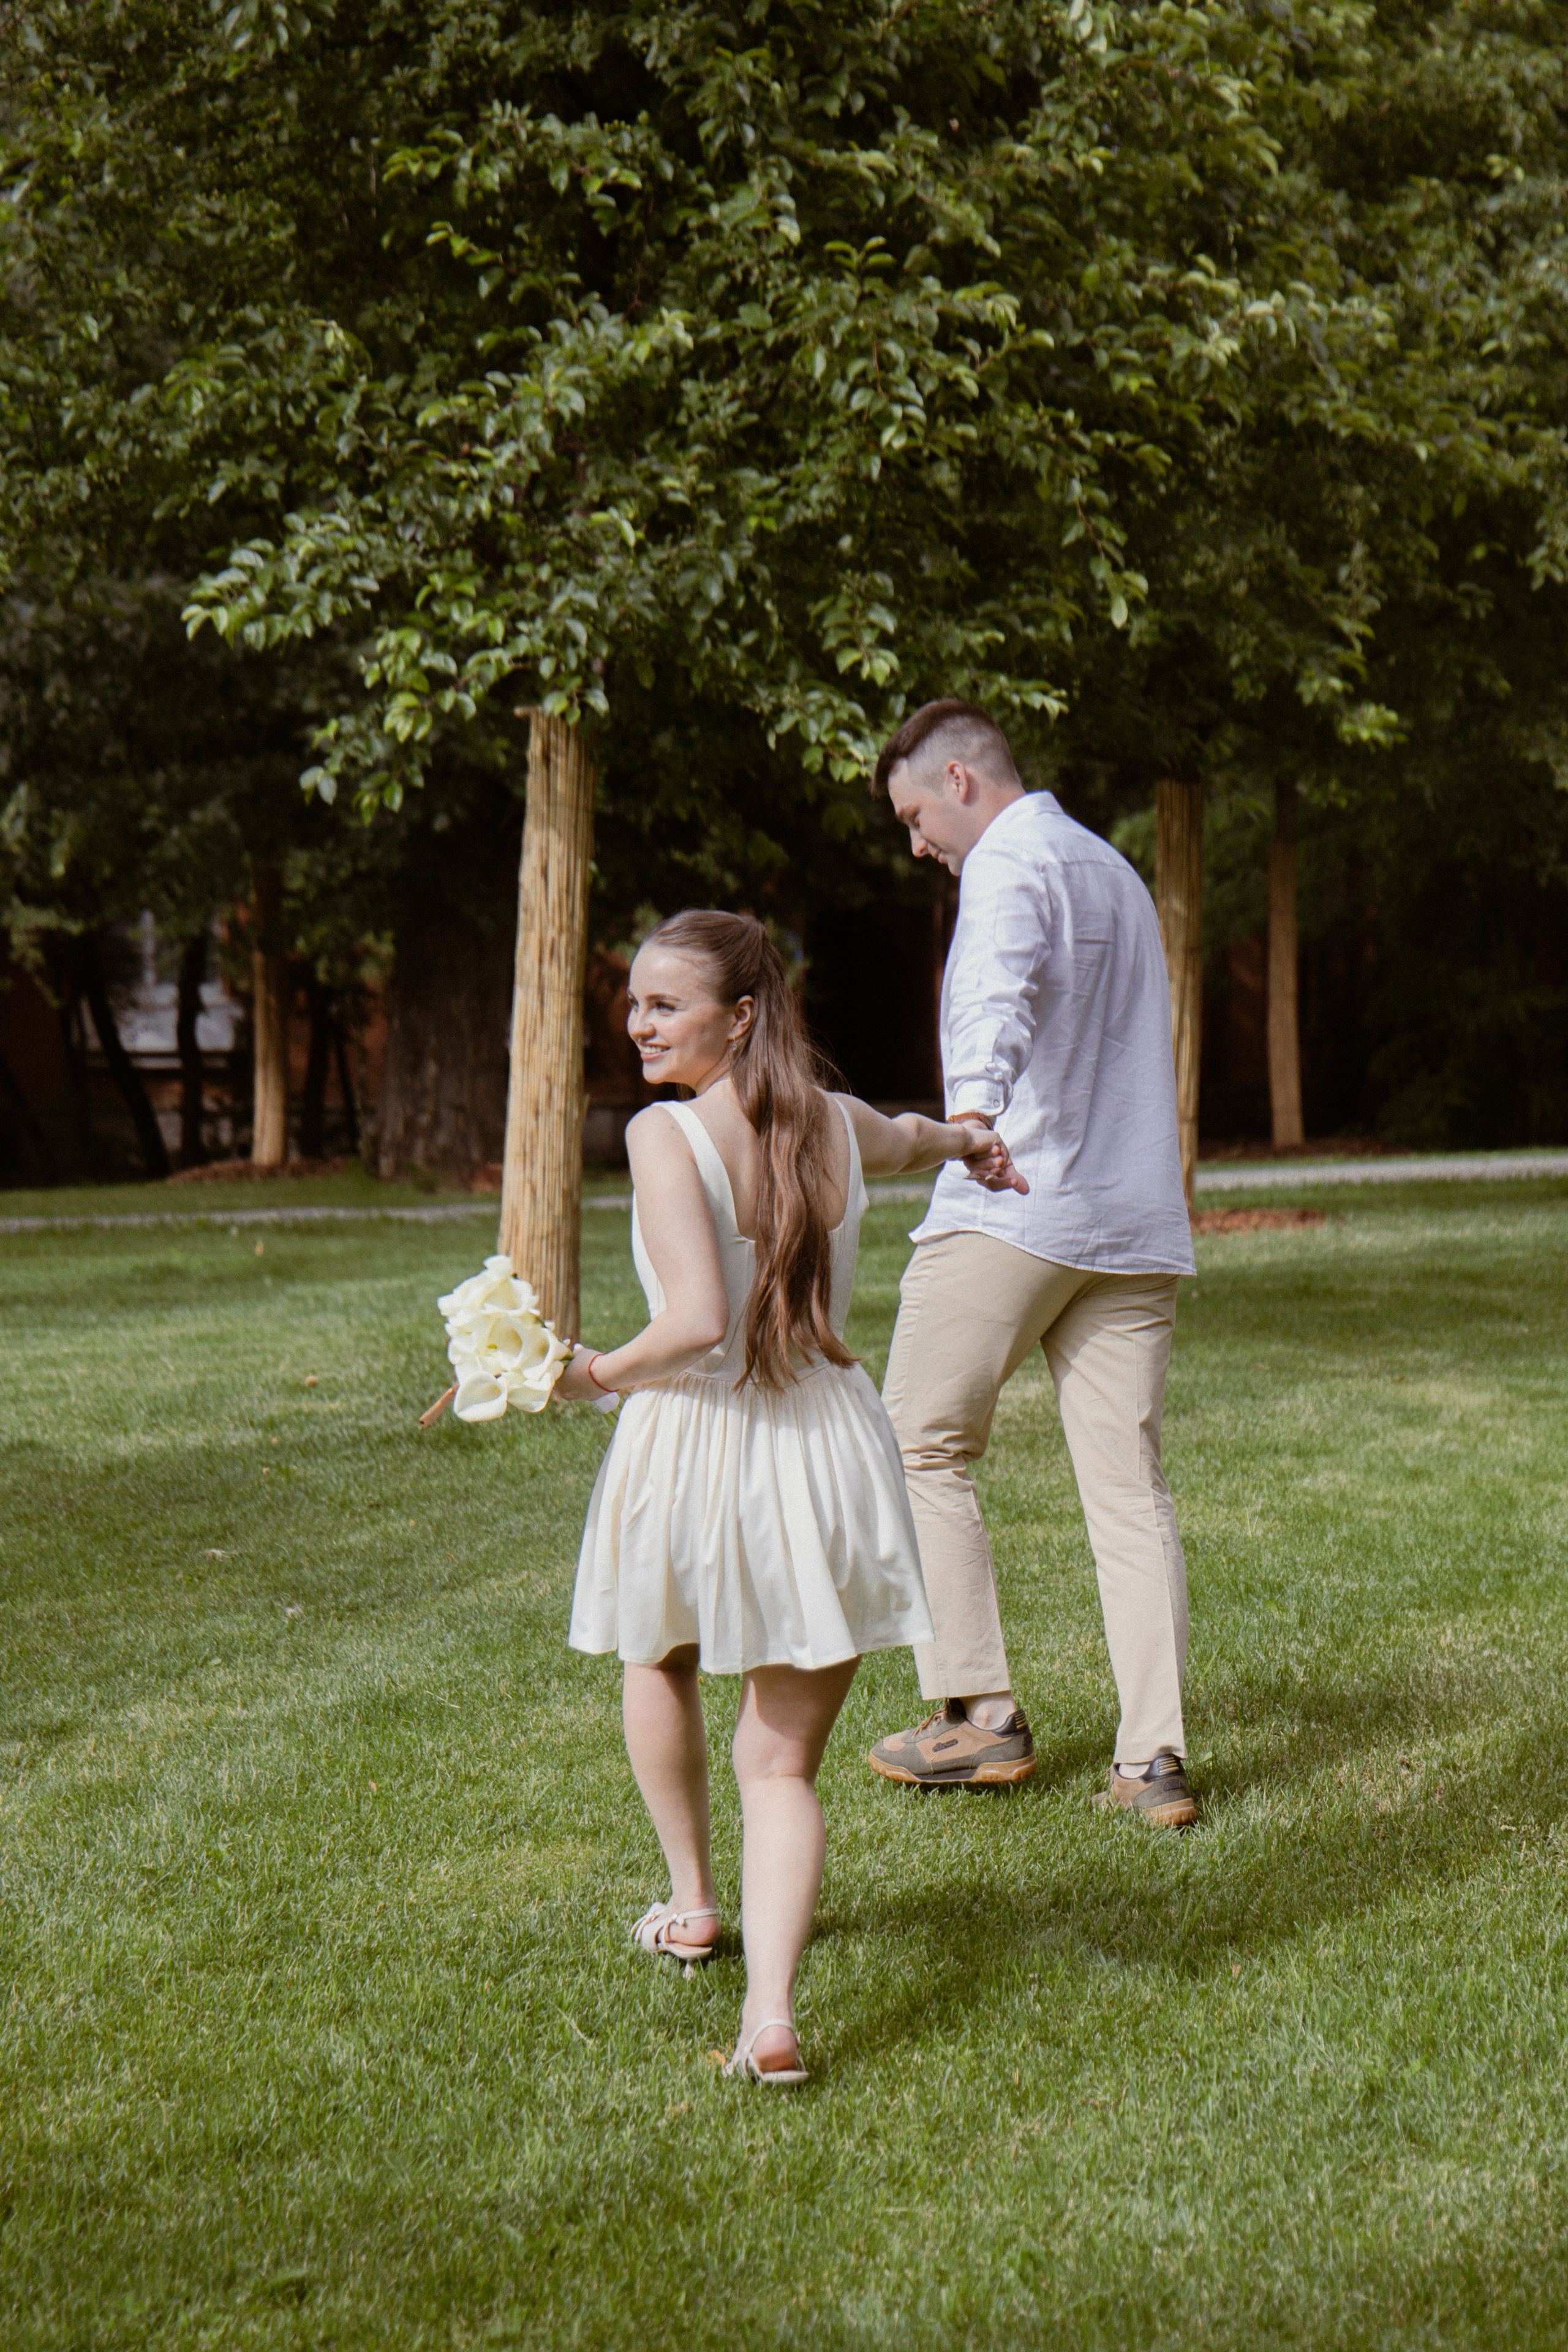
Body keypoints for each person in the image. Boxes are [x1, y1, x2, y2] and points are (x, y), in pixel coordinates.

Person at [556, 910, 1020, 2083]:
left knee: (656, 1657)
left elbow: (697, 1324)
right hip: (824, 1447)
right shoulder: (836, 1126)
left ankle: (693, 1899)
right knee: (782, 1765)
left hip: (694, 1442)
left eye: (667, 1003)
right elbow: (913, 1136)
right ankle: (770, 2016)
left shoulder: (668, 1136)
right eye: (636, 1000)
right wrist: (974, 1142)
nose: (639, 1022)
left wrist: (587, 1375)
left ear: (742, 1016)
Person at [864, 701, 1200, 1828]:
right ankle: (1153, 1760)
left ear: (960, 780)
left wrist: (972, 1117)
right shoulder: (1112, 868)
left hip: (1018, 1204)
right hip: (1132, 1218)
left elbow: (996, 997)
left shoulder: (1008, 865)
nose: (916, 845)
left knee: (917, 1437)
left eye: (915, 816)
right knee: (1128, 1487)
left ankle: (980, 1716)